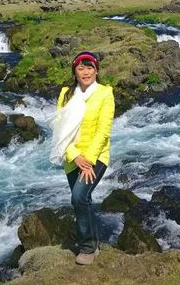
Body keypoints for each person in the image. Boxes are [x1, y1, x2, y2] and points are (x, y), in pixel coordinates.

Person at [54, 51, 115, 265]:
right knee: (83, 200)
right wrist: (75, 156)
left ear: (96, 70)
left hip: (96, 156)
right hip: (72, 157)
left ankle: (88, 247)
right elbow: (60, 130)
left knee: (78, 197)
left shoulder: (105, 93)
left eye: (90, 67)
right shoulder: (65, 95)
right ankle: (94, 243)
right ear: (75, 72)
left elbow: (103, 131)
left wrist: (87, 160)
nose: (86, 72)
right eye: (81, 68)